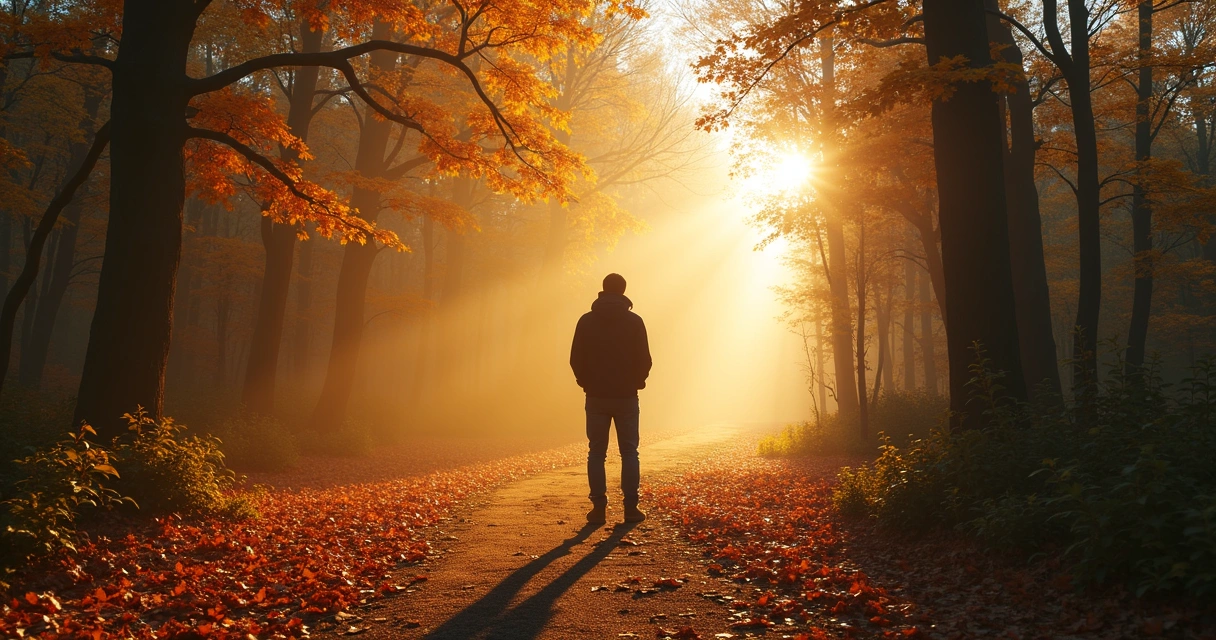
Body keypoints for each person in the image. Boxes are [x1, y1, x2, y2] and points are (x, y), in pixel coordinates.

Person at [570, 273, 652, 524]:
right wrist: (637, 383)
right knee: (630, 452)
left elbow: (576, 359)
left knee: (596, 453)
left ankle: (598, 509)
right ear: (623, 291)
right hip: (627, 396)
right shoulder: (635, 321)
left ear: (603, 291)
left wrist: (587, 384)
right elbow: (645, 359)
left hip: (596, 397)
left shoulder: (586, 321)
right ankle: (630, 509)